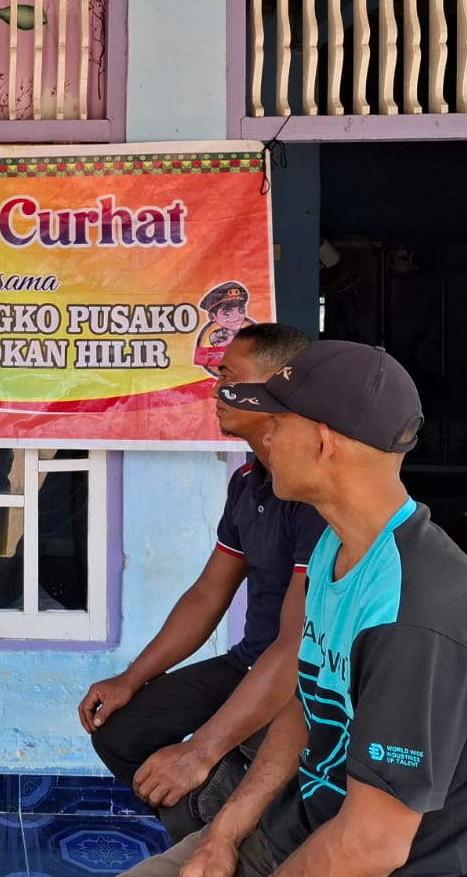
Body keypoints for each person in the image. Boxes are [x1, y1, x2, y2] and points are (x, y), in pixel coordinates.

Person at [125, 341, 467, 876]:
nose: (265, 437)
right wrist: (224, 833)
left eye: (277, 424)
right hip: (300, 834)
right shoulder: (336, 548)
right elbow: (308, 703)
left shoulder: (415, 612)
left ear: (324, 442)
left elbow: (370, 846)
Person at [80, 323, 321, 842]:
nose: (216, 391)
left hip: (301, 683)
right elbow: (208, 594)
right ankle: (210, 840)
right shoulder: (247, 482)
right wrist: (130, 678)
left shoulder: (312, 495)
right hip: (248, 661)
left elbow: (296, 645)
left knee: (217, 775)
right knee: (121, 734)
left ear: (276, 387)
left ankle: (230, 843)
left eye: (229, 377)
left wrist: (200, 750)